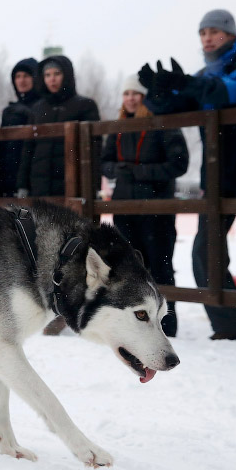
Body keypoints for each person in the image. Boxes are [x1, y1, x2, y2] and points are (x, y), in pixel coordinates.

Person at [140, 9, 236, 340]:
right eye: (202, 33)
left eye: (214, 31)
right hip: (216, 181)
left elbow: (228, 91)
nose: (207, 38)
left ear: (230, 34)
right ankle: (228, 325)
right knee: (205, 253)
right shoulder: (205, 74)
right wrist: (159, 92)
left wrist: (188, 83)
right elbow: (175, 106)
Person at [101, 75, 188, 337]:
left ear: (145, 97)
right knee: (129, 267)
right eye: (126, 93)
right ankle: (135, 322)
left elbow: (179, 163)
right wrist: (118, 169)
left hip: (156, 209)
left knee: (160, 267)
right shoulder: (117, 127)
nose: (130, 98)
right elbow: (104, 162)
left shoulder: (163, 123)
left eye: (136, 94)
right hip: (125, 208)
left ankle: (167, 325)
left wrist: (140, 172)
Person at [16, 55, 101, 198]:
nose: (52, 79)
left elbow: (94, 149)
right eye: (47, 75)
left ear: (66, 75)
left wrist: (94, 186)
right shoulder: (37, 108)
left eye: (57, 73)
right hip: (40, 185)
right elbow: (28, 149)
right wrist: (22, 185)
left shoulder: (85, 105)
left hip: (73, 183)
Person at [0, 58, 39, 197]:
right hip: (10, 178)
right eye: (18, 76)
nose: (21, 80)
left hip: (35, 178)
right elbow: (2, 149)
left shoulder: (43, 108)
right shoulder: (9, 111)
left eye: (26, 76)